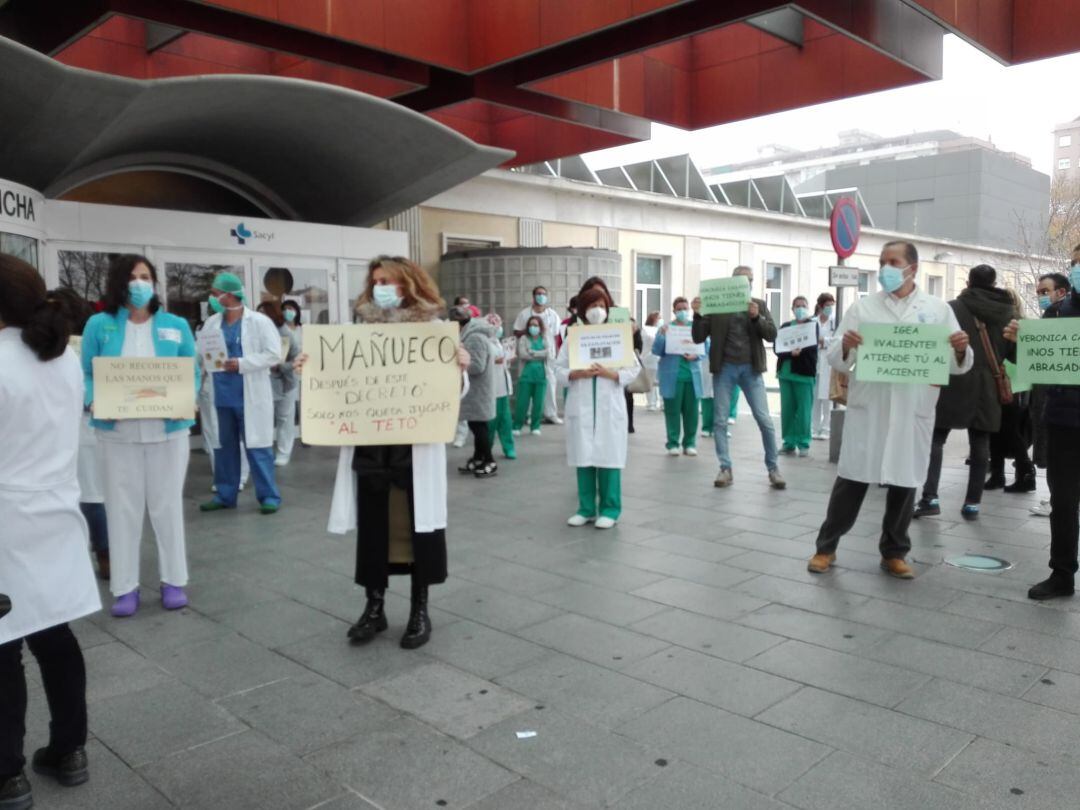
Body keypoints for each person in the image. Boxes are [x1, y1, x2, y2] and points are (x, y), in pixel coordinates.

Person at [312, 256, 470, 648]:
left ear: (409, 285)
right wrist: (310, 368)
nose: (381, 287)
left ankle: (420, 609)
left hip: (414, 447)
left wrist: (459, 368)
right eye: (376, 281)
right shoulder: (357, 333)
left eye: (390, 281)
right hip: (371, 445)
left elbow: (453, 395)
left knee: (418, 528)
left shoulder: (433, 332)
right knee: (373, 529)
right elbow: (334, 382)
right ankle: (374, 608)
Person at [807, 241, 972, 579]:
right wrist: (847, 347)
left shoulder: (938, 310)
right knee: (851, 481)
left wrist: (959, 350)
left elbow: (958, 366)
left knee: (904, 480)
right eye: (882, 262)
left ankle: (894, 552)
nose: (885, 269)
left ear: (913, 267)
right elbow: (836, 356)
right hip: (872, 407)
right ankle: (826, 547)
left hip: (913, 410)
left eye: (892, 262)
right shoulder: (863, 308)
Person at [0, 255, 100, 808]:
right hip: (57, 510)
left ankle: (7, 773)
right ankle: (70, 749)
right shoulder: (63, 359)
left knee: (3, 648)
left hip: (6, 519)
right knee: (55, 637)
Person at [81, 255, 200, 616]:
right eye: (132, 277)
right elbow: (85, 373)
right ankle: (125, 587)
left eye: (145, 276)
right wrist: (94, 400)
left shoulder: (176, 325)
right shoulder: (99, 325)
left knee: (166, 508)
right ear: (119, 283)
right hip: (117, 434)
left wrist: (188, 398)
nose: (139, 283)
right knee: (122, 510)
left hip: (167, 432)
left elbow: (191, 372)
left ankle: (173, 580)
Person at [1006, 244, 1080, 599]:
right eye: (1076, 262)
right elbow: (1037, 366)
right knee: (1063, 502)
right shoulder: (1056, 313)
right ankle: (1062, 573)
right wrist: (1020, 343)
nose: (1078, 268)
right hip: (1064, 420)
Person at [914, 265, 1015, 521]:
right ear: (994, 283)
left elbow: (935, 344)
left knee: (936, 438)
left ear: (968, 282)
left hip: (953, 378)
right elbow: (1013, 354)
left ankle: (930, 497)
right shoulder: (1007, 312)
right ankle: (972, 504)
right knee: (980, 443)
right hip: (989, 385)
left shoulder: (952, 308)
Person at [691, 266, 786, 489]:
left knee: (764, 420)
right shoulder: (718, 304)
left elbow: (772, 334)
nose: (747, 284)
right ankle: (725, 467)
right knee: (720, 420)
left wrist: (756, 318)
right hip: (724, 368)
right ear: (732, 283)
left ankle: (773, 469)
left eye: (750, 280)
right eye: (743, 280)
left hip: (751, 369)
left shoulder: (758, 304)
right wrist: (697, 314)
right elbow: (698, 337)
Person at [199, 272, 283, 515]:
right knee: (224, 448)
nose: (213, 298)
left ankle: (268, 496)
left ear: (230, 294)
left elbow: (273, 353)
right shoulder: (213, 323)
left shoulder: (259, 321)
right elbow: (202, 354)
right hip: (221, 395)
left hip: (251, 396)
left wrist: (242, 363)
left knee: (257, 447)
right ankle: (225, 494)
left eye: (216, 294)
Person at [557, 287, 639, 529]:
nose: (597, 311)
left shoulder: (617, 336)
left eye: (601, 306)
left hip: (608, 405)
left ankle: (610, 509)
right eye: (592, 306)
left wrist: (611, 374)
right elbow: (557, 368)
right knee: (584, 457)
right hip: (581, 405)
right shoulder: (574, 337)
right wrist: (576, 373)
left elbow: (633, 369)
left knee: (609, 459)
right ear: (583, 310)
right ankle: (586, 509)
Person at [51, 288, 110, 581]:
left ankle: (105, 555)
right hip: (83, 426)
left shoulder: (70, 349)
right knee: (91, 493)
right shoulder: (90, 341)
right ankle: (104, 554)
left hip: (85, 425)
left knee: (90, 494)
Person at [1029, 272, 1072, 517]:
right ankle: (1058, 499)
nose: (1040, 297)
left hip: (1057, 399)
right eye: (1038, 292)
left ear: (1061, 292)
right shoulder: (1051, 315)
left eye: (1045, 291)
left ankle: (1060, 500)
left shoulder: (1061, 315)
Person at [986, 288, 1035, 493]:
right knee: (999, 429)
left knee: (1008, 430)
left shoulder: (1011, 324)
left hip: (1010, 382)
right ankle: (999, 474)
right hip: (1017, 384)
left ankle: (1024, 473)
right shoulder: (1021, 323)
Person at [653, 297, 704, 456]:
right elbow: (657, 350)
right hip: (672, 377)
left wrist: (696, 356)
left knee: (692, 413)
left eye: (685, 308)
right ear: (674, 311)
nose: (683, 311)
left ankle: (689, 443)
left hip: (691, 376)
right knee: (672, 412)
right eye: (679, 308)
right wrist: (661, 335)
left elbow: (705, 347)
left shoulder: (696, 327)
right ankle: (672, 443)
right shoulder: (668, 328)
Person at [453, 305, 498, 478]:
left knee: (479, 427)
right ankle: (479, 457)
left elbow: (477, 366)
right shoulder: (472, 335)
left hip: (478, 392)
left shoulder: (474, 338)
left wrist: (459, 364)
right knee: (476, 425)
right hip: (476, 392)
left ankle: (489, 461)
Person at [256, 301, 301, 468]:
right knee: (264, 419)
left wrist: (280, 366)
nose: (260, 316)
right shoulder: (256, 332)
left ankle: (283, 452)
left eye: (264, 313)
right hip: (262, 381)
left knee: (284, 418)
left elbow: (297, 359)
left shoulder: (285, 332)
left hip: (284, 382)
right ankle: (265, 452)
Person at [776, 296, 818, 457]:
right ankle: (789, 442)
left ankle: (803, 442)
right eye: (797, 306)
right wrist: (790, 353)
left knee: (804, 410)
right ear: (792, 309)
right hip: (785, 374)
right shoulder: (786, 326)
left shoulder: (812, 326)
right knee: (787, 410)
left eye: (803, 306)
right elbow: (778, 347)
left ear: (808, 308)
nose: (800, 308)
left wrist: (798, 353)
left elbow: (811, 347)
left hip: (804, 374)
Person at [513, 286, 563, 424]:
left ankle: (550, 413)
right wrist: (531, 331)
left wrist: (557, 354)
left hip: (547, 357)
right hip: (529, 356)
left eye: (544, 294)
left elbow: (557, 336)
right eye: (539, 294)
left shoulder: (552, 315)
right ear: (533, 296)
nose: (541, 296)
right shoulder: (524, 314)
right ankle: (529, 415)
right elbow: (516, 332)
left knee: (549, 384)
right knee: (529, 386)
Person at [513, 314, 551, 436]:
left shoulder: (544, 338)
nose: (533, 327)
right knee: (522, 402)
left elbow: (549, 353)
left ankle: (535, 426)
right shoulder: (524, 338)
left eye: (535, 325)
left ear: (540, 327)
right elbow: (523, 355)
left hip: (541, 375)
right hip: (526, 375)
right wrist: (541, 354)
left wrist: (533, 353)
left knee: (538, 403)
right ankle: (517, 426)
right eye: (530, 325)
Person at [277, 299, 304, 465]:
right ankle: (283, 451)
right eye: (285, 309)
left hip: (303, 372)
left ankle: (306, 435)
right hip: (287, 374)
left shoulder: (302, 329)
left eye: (291, 308)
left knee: (301, 408)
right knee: (285, 414)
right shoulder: (280, 330)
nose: (288, 311)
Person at [487, 314, 516, 460]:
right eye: (494, 324)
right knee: (491, 422)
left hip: (503, 387)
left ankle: (509, 448)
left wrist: (507, 359)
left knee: (506, 420)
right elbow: (480, 363)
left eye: (499, 324)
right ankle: (487, 449)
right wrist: (494, 361)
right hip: (491, 389)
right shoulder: (485, 343)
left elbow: (504, 364)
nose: (498, 328)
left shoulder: (499, 343)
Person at [812, 293, 837, 440]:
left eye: (831, 305)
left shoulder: (835, 322)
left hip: (828, 363)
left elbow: (837, 339)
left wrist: (824, 341)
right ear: (820, 306)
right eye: (827, 305)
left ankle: (826, 428)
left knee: (827, 398)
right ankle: (814, 428)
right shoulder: (813, 322)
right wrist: (819, 342)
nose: (830, 308)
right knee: (815, 398)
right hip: (815, 362)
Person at [641, 311, 662, 412]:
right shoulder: (645, 329)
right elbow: (648, 342)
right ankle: (651, 403)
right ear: (653, 319)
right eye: (659, 318)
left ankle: (662, 403)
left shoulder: (661, 329)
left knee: (661, 382)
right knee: (650, 382)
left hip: (660, 358)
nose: (660, 320)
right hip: (648, 358)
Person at [626, 319, 643, 434]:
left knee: (628, 397)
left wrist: (632, 332)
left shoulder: (633, 327)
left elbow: (638, 347)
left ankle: (629, 424)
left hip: (628, 365)